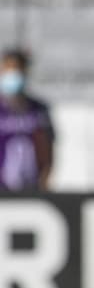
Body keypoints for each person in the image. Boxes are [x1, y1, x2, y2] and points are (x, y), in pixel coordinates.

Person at [0, 48, 54, 192]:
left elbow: (47, 148)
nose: (13, 74)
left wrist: (44, 181)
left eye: (18, 69)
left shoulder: (39, 110)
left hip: (31, 187)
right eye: (9, 68)